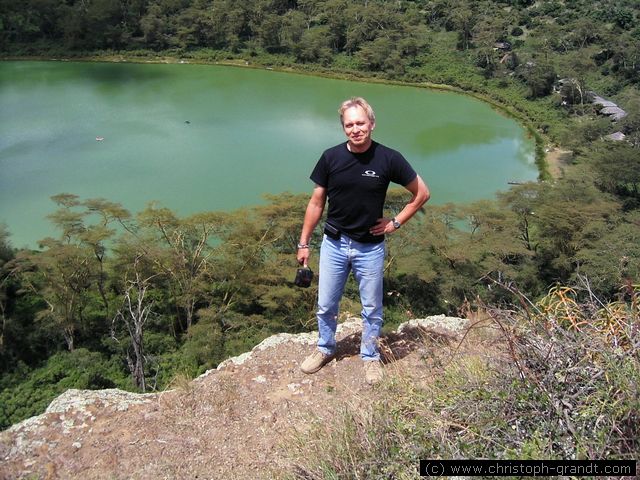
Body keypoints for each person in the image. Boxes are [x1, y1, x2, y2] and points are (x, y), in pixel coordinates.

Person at [297, 97, 430, 385]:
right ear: (343, 128)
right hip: (334, 243)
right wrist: (304, 242)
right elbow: (317, 203)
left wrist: (395, 222)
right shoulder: (331, 157)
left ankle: (370, 357)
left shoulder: (388, 158)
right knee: (325, 304)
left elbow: (421, 193)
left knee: (371, 308)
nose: (355, 129)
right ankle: (324, 348)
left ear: (371, 123)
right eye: (349, 124)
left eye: (360, 123)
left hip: (369, 247)